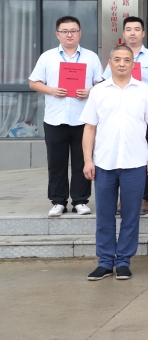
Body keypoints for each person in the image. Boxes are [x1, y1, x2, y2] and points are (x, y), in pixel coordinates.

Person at [81, 45, 148, 281]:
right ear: (110, 63)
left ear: (133, 64)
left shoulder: (143, 90)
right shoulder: (99, 91)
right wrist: (88, 160)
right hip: (104, 162)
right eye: (117, 59)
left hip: (135, 162)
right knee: (104, 214)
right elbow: (90, 127)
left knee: (131, 214)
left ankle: (124, 261)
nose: (122, 63)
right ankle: (105, 261)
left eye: (127, 59)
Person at [29, 16, 104, 217]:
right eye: (65, 31)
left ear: (80, 33)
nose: (69, 34)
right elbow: (34, 83)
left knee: (82, 161)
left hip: (83, 119)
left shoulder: (91, 57)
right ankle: (58, 201)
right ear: (57, 34)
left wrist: (90, 92)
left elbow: (102, 84)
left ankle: (80, 200)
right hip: (55, 119)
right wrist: (52, 90)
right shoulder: (47, 57)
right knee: (56, 162)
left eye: (73, 31)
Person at [102, 16, 148, 215]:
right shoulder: (115, 56)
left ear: (143, 33)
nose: (132, 33)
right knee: (119, 152)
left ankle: (143, 198)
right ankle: (118, 198)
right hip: (119, 111)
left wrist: (144, 94)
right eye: (128, 29)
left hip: (144, 111)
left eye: (137, 29)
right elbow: (105, 81)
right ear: (123, 33)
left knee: (143, 155)